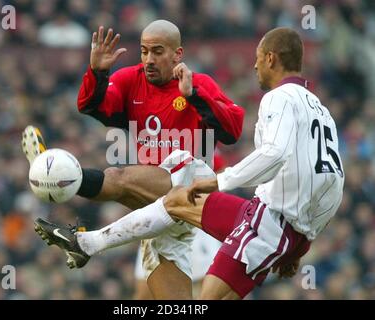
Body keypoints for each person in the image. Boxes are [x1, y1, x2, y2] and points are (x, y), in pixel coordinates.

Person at [34, 27, 344, 299]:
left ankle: (80, 221)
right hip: (234, 210)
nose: (253, 65)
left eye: (258, 58)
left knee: (163, 176)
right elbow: (331, 178)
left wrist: (220, 178)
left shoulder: (270, 97)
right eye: (144, 51)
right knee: (158, 258)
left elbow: (255, 144)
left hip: (222, 196)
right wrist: (301, 236)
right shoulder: (320, 111)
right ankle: (85, 242)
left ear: (271, 59)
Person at [24, 19, 243, 299]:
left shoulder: (198, 83)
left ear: (178, 54)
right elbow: (93, 107)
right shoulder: (130, 79)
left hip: (193, 190)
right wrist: (98, 72)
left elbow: (233, 131)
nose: (149, 59)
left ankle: (67, 199)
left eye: (158, 51)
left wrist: (195, 96)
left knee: (118, 177)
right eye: (143, 51)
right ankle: (61, 189)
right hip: (157, 202)